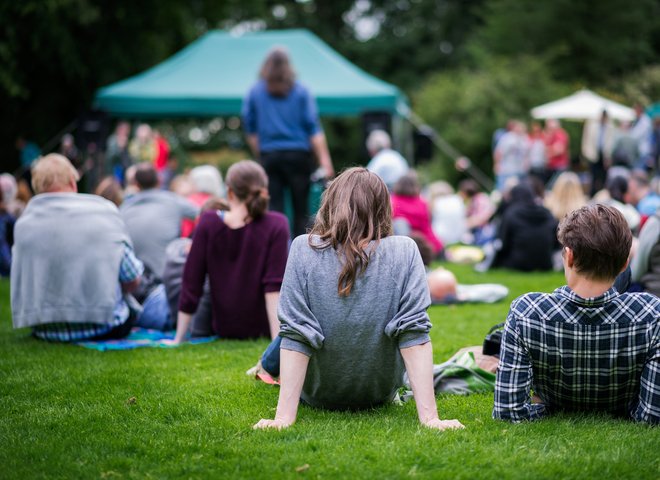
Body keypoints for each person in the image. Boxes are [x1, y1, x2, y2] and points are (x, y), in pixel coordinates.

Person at [252, 168, 463, 431]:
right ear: (383, 208)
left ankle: (264, 366)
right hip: (379, 394)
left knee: (290, 330)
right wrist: (431, 419)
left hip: (318, 396)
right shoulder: (406, 250)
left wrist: (283, 418)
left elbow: (295, 334)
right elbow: (414, 334)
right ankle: (265, 366)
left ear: (330, 203)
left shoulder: (302, 248)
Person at [494, 204, 660, 425]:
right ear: (624, 265)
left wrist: (548, 410)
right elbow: (652, 416)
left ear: (569, 256)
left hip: (553, 397)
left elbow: (509, 412)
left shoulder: (526, 311)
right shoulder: (652, 314)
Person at [10, 154, 143, 341]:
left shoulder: (23, 225)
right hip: (105, 325)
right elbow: (132, 279)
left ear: (37, 187)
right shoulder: (105, 211)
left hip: (45, 329)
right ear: (73, 182)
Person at [168, 160, 289, 342]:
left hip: (225, 327)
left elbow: (192, 281)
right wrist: (276, 342)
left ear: (230, 191)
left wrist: (178, 339)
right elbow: (273, 287)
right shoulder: (277, 224)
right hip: (261, 327)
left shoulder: (208, 222)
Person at [242, 47, 334, 236]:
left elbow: (249, 128)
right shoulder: (301, 90)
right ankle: (300, 254)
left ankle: (277, 253)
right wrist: (325, 160)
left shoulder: (254, 91)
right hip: (298, 156)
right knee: (301, 210)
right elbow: (313, 127)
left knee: (274, 210)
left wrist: (260, 153)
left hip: (270, 156)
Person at [120, 163, 199, 279]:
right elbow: (204, 214)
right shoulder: (174, 201)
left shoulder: (123, 209)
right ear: (159, 180)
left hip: (136, 281)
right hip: (167, 280)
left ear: (136, 184)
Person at [492, 182, 558, 272]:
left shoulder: (511, 213)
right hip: (545, 263)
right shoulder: (547, 213)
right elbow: (556, 241)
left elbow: (503, 243)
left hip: (516, 263)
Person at [390, 171, 443, 257]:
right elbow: (427, 229)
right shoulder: (422, 204)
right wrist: (438, 247)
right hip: (420, 244)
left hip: (399, 244)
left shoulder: (392, 202)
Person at [582, 111, 617, 196]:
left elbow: (611, 142)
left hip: (604, 157)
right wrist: (586, 153)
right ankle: (593, 195)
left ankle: (601, 195)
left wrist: (608, 156)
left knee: (603, 178)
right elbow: (586, 140)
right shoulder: (592, 126)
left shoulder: (610, 127)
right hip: (593, 156)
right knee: (593, 177)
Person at [493, 120, 529, 191]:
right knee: (504, 190)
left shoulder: (524, 139)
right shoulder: (507, 138)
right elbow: (498, 152)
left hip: (520, 170)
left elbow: (526, 154)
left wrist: (526, 163)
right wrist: (497, 164)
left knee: (519, 190)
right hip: (507, 170)